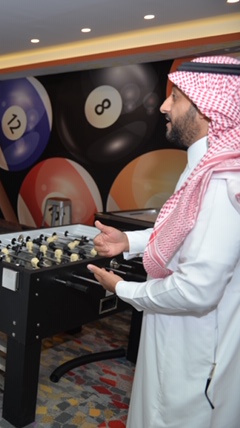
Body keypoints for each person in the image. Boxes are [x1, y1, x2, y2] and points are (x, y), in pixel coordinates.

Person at [88, 55, 240, 428]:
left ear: (206, 108)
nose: (163, 106)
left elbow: (196, 290)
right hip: (174, 332)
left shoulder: (222, 182)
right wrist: (127, 241)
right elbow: (181, 230)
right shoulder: (205, 166)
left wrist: (124, 289)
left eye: (177, 97)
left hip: (195, 350)